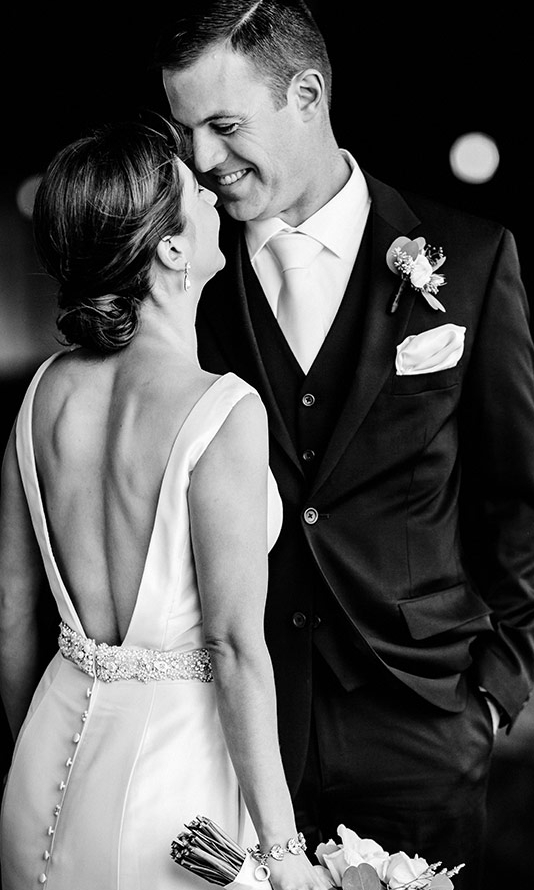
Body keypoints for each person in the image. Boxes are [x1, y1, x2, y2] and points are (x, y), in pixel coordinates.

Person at [156, 1, 534, 886]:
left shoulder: (471, 257)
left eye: (225, 126)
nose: (203, 160)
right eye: (186, 133)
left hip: (422, 724)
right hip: (237, 729)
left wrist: (497, 692)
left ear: (307, 94)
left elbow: (516, 500)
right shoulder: (187, 280)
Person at [0, 121, 330, 890]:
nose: (214, 196)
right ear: (173, 250)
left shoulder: (44, 391)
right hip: (172, 806)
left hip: (41, 767)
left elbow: (12, 609)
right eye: (195, 192)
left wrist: (36, 747)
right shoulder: (221, 410)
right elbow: (236, 648)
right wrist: (284, 856)